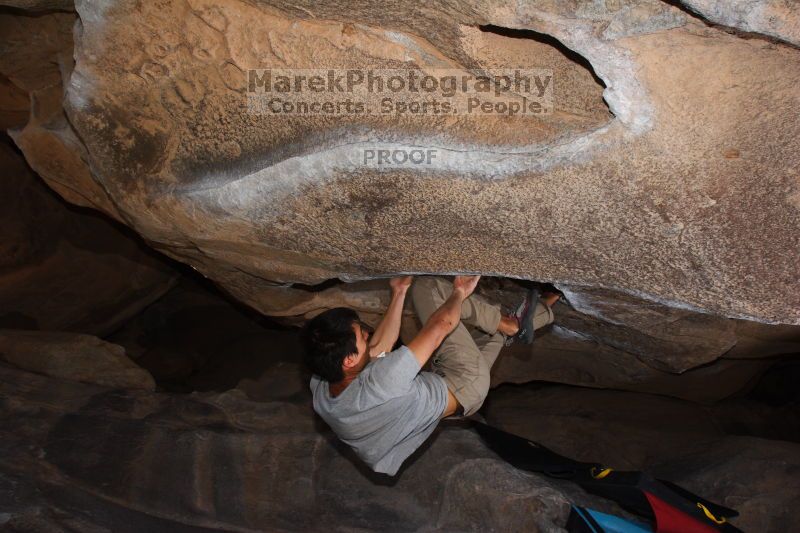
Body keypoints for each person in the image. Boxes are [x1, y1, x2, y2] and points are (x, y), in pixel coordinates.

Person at [302, 275, 559, 476]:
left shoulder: (323, 387)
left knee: (493, 335)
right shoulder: (383, 382)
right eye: (361, 335)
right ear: (348, 360)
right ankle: (510, 323)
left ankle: (545, 306)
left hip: (457, 396)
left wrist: (399, 292)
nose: (367, 334)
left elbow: (378, 349)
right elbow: (440, 327)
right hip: (464, 379)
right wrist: (459, 292)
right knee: (430, 289)